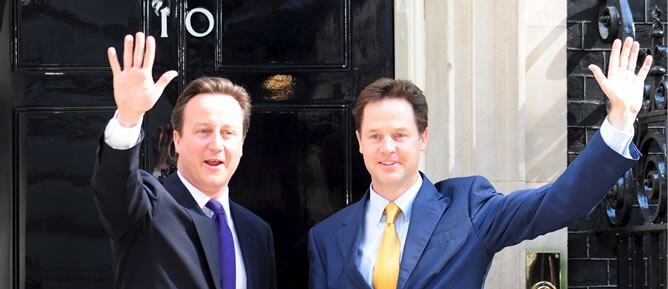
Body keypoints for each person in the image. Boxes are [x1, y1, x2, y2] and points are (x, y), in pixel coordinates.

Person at [308, 37, 653, 289]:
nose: (387, 148)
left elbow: (559, 202)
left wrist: (620, 120)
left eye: (400, 135)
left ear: (423, 138)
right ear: (359, 142)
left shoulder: (468, 209)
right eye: (375, 136)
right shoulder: (325, 239)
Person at [91, 32, 276, 289]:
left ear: (242, 144)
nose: (216, 145)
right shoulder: (146, 209)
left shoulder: (257, 232)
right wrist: (128, 117)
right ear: (177, 141)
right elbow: (113, 188)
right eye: (203, 131)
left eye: (228, 133)